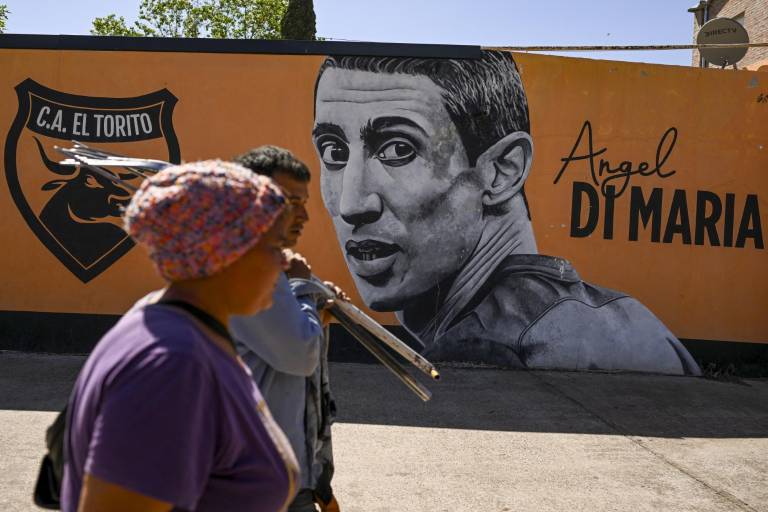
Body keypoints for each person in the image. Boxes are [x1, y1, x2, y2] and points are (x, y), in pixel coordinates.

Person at [312, 52, 700, 376]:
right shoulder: (614, 318)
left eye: (399, 149)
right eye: (333, 152)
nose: (351, 204)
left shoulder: (498, 350)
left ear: (501, 171)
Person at [61, 160, 300, 511]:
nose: (286, 261)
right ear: (224, 252)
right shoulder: (174, 365)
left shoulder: (180, 330)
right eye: (274, 245)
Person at [229, 146, 341, 512]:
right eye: (290, 201)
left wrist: (313, 308)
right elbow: (300, 355)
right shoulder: (250, 271)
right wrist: (301, 287)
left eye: (304, 202)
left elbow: (274, 343)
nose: (305, 215)